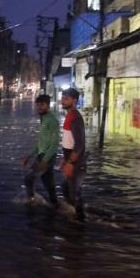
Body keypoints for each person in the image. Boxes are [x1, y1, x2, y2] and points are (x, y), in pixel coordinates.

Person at [22, 94, 59, 206]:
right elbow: (40, 142)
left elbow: (54, 144)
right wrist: (29, 155)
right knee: (48, 183)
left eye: (42, 105)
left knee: (29, 178)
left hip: (46, 157)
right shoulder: (43, 119)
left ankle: (31, 201)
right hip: (41, 155)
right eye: (37, 105)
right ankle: (55, 205)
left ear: (48, 105)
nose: (39, 107)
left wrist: (44, 160)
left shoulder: (52, 120)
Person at [59, 88, 87, 221]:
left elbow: (80, 144)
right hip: (70, 160)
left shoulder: (75, 118)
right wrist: (64, 159)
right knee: (66, 188)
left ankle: (80, 222)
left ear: (74, 100)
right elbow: (68, 142)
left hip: (76, 163)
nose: (62, 101)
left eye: (66, 99)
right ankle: (74, 215)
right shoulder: (69, 116)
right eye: (62, 98)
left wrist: (70, 163)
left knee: (74, 193)